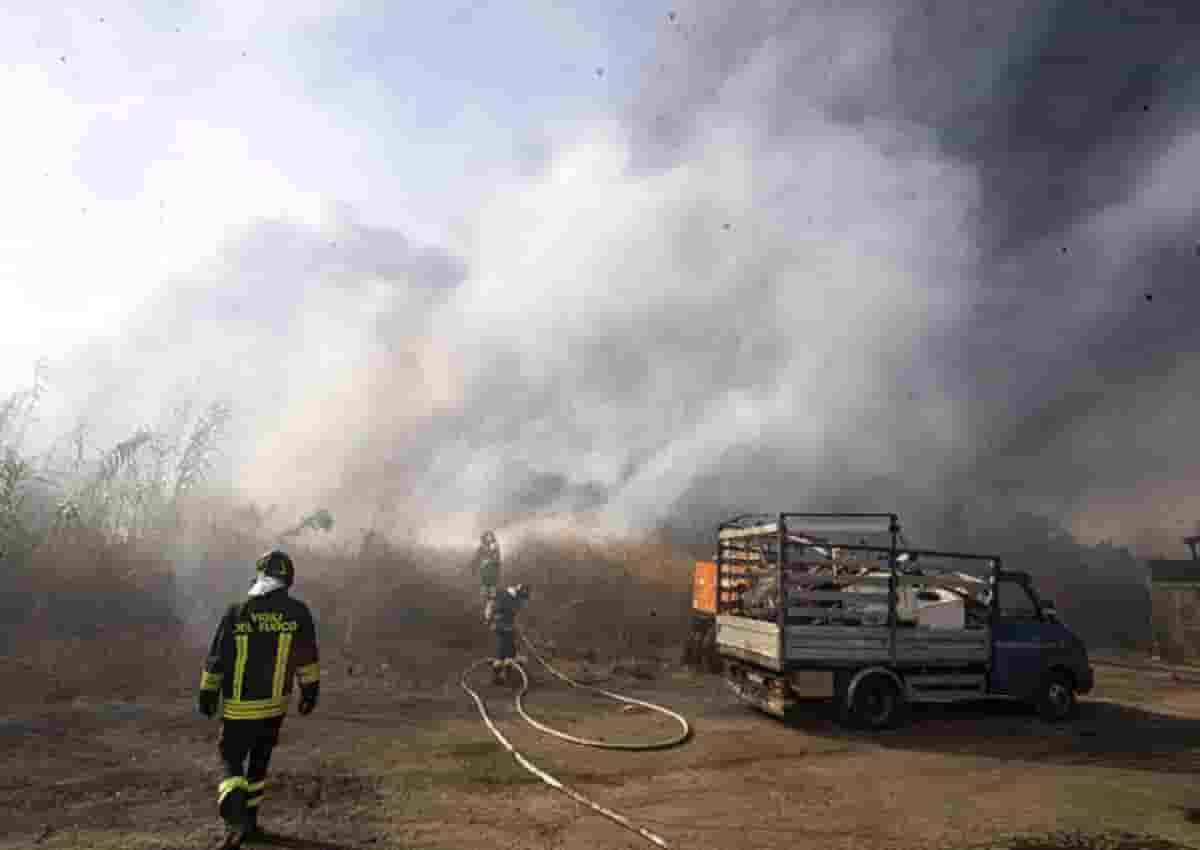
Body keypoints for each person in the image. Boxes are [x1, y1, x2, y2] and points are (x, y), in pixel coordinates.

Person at [197, 550, 321, 849]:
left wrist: (207, 692)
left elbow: (217, 659)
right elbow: (307, 658)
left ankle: (233, 802)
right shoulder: (298, 613)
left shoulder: (237, 612)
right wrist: (309, 692)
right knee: (260, 760)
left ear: (259, 575)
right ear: (288, 579)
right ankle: (250, 824)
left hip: (240, 707)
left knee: (230, 756)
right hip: (275, 707)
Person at [491, 583, 531, 685]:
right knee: (506, 653)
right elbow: (503, 614)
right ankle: (502, 677)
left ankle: (503, 676)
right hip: (503, 628)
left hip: (503, 627)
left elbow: (511, 616)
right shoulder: (509, 598)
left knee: (506, 652)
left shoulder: (508, 596)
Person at [474, 530, 502, 624]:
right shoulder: (481, 548)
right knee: (485, 596)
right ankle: (486, 615)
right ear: (484, 538)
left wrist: (489, 561)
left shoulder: (495, 547)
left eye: (490, 536)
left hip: (493, 575)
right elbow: (476, 559)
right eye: (487, 536)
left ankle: (488, 616)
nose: (488, 538)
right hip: (484, 575)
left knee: (492, 597)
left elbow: (498, 560)